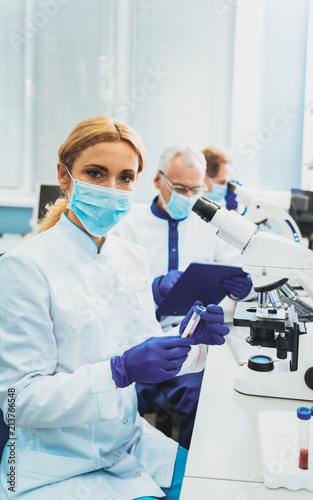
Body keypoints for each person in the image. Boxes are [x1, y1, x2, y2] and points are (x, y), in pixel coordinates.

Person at [0, 118, 230, 500]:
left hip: (127, 444)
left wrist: (188, 341)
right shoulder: (26, 266)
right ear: (64, 175)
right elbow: (16, 402)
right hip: (53, 464)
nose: (112, 188)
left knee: (218, 483)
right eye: (95, 173)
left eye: (125, 177)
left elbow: (143, 345)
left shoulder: (130, 256)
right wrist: (118, 372)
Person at [112, 145, 253, 450]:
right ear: (157, 181)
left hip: (192, 337)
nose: (188, 196)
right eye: (179, 188)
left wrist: (246, 286)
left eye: (195, 188)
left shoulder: (209, 224)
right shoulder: (126, 226)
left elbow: (238, 265)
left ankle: (187, 470)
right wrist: (153, 288)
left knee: (201, 397)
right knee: (139, 395)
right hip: (140, 335)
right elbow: (111, 292)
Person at [202, 145, 239, 210]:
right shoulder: (186, 205)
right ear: (204, 175)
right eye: (222, 182)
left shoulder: (221, 204)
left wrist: (234, 209)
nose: (225, 187)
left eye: (227, 182)